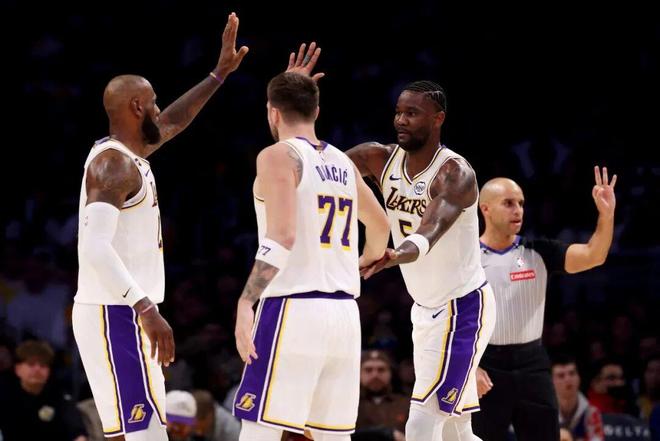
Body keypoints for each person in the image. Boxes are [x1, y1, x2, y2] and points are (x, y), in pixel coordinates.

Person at [72, 13, 248, 441]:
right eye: (152, 101)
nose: (157, 107)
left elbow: (171, 122)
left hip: (120, 311)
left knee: (134, 433)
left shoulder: (129, 156)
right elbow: (94, 248)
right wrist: (146, 309)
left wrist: (218, 75)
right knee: (146, 433)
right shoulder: (112, 165)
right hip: (116, 312)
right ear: (136, 107)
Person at [232, 46, 390, 441]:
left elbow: (282, 235)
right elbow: (381, 226)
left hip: (293, 309)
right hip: (344, 317)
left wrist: (246, 302)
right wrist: (364, 262)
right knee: (332, 436)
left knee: (259, 431)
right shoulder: (343, 162)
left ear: (272, 113)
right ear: (317, 111)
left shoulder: (275, 156)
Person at [348, 81, 496, 441]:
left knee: (421, 423)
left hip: (462, 308)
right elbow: (321, 165)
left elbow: (430, 230)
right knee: (457, 432)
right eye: (398, 112)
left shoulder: (455, 173)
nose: (401, 120)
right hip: (425, 310)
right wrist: (295, 100)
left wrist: (396, 254)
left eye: (412, 113)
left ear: (438, 118)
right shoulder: (379, 158)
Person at [472, 171, 616, 441]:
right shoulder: (466, 258)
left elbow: (594, 255)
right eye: (509, 203)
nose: (518, 210)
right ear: (485, 209)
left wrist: (606, 215)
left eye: (521, 203)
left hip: (532, 364)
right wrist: (470, 368)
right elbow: (449, 320)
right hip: (484, 364)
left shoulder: (539, 251)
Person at [0, 340, 88, 441]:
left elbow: (77, 432)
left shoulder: (60, 397)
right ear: (18, 369)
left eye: (43, 365)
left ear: (49, 371)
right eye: (31, 364)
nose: (37, 369)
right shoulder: (5, 396)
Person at [355, 350, 408, 441]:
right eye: (368, 370)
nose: (375, 375)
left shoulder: (407, 404)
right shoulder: (349, 405)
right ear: (359, 373)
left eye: (381, 370)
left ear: (390, 373)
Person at [552, 355, 604, 441]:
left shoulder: (592, 413)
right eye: (561, 376)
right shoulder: (546, 414)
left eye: (572, 373)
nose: (568, 379)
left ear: (579, 378)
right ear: (551, 382)